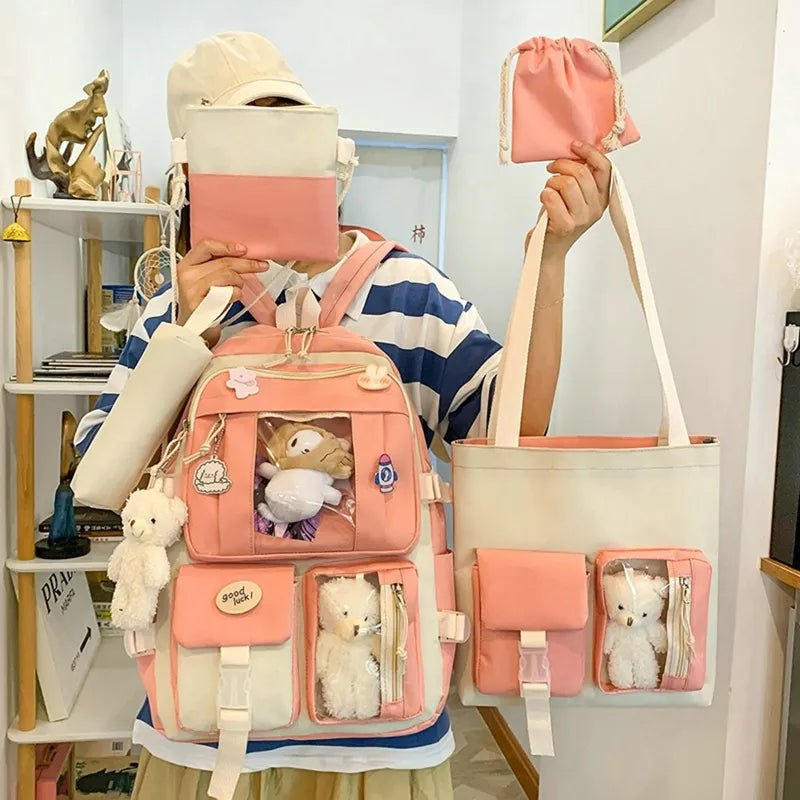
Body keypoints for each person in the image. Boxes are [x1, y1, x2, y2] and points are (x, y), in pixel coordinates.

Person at [74, 31, 612, 800]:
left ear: (331, 153)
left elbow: (509, 435)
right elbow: (101, 475)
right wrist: (186, 334)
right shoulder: (177, 308)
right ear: (194, 174)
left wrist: (550, 261)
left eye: (289, 132)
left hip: (380, 708)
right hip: (210, 707)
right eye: (238, 143)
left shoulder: (411, 289)